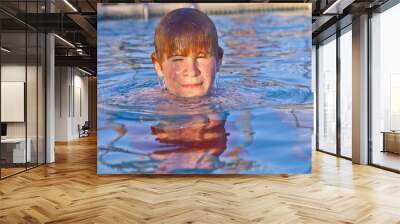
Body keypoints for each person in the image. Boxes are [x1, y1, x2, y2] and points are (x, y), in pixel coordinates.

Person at [151, 8, 224, 98]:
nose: (192, 72)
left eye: (201, 57)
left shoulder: (233, 101)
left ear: (218, 60)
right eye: (178, 59)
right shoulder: (142, 102)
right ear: (158, 65)